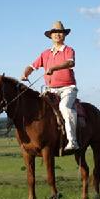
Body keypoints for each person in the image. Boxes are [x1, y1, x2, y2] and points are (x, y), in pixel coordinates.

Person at [21, 21, 79, 151]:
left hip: (67, 89)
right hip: (50, 90)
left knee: (64, 108)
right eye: (54, 33)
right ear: (51, 36)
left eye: (60, 32)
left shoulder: (69, 50)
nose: (57, 35)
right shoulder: (45, 53)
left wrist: (53, 68)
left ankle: (72, 140)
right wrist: (26, 73)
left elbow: (70, 63)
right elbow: (32, 66)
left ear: (64, 35)